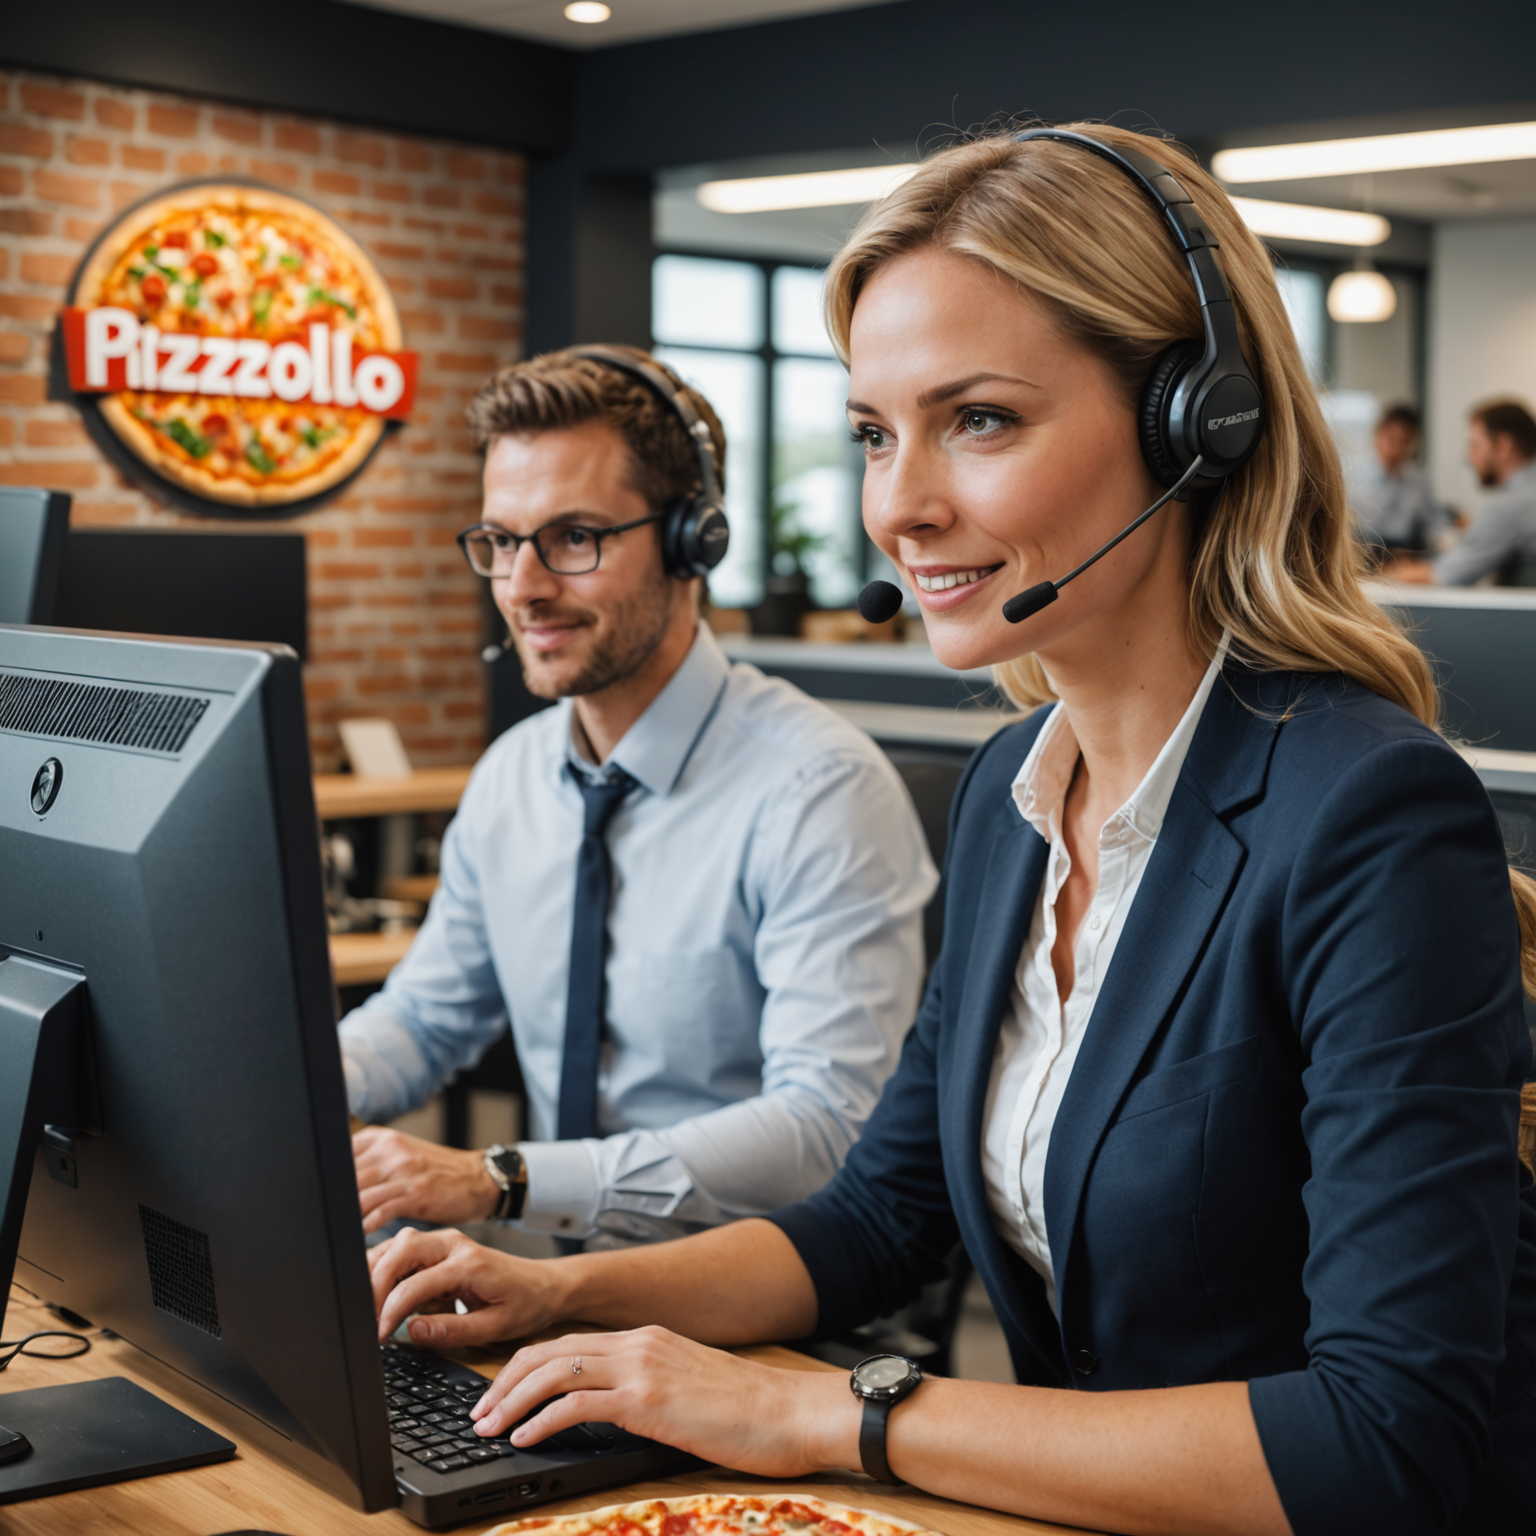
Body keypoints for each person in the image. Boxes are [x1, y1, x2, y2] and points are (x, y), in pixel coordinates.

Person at [366, 128, 1536, 1535]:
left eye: (977, 419)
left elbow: (1383, 1440)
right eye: (873, 432)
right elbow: (877, 1219)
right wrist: (558, 1288)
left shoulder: (1369, 816)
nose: (899, 507)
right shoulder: (1011, 795)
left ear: (1196, 425)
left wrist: (820, 1411)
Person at [343, 346, 935, 1249]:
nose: (522, 587)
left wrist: (500, 1181)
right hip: (539, 1291)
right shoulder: (512, 777)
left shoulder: (820, 789)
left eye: (573, 538)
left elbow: (824, 1126)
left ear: (691, 539)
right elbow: (427, 1018)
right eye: (501, 541)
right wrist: (279, 1092)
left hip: (742, 1320)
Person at [1386, 399, 1536, 586]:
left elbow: (1445, 574)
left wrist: (1378, 577)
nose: (1468, 457)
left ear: (1504, 446)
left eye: (1475, 445)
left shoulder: (1508, 508)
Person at [1348, 403, 1455, 561]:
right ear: (1377, 434)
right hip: (1365, 553)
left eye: (1403, 442)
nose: (1396, 448)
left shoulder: (1418, 480)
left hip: (1405, 554)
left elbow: (1432, 520)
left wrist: (1447, 537)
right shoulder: (1353, 478)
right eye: (1391, 440)